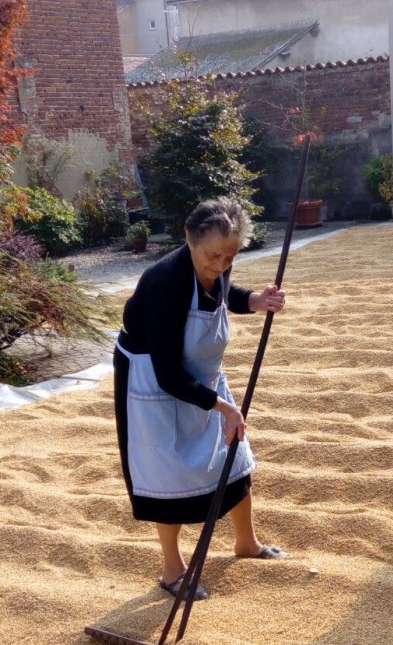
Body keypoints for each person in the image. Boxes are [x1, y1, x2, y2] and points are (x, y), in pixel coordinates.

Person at [114, 197, 287, 598]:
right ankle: (172, 570)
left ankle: (246, 543)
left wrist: (255, 301)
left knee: (235, 457)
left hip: (201, 373)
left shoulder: (217, 262)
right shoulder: (163, 284)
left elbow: (222, 295)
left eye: (231, 256)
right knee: (168, 471)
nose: (222, 264)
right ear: (190, 239)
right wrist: (223, 406)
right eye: (214, 255)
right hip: (153, 382)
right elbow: (169, 375)